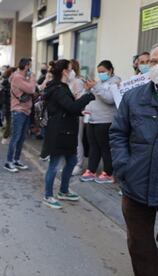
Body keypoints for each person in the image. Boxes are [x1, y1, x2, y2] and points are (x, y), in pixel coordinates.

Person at [110, 45, 158, 276]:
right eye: (153, 61)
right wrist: (123, 167)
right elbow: (118, 133)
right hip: (136, 183)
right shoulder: (133, 97)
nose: (155, 66)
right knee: (140, 244)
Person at [42, 59, 95, 209]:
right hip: (59, 133)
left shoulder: (61, 87)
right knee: (54, 165)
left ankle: (63, 191)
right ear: (65, 71)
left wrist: (80, 111)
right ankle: (48, 195)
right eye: (70, 68)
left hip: (66, 132)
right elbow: (70, 106)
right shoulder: (58, 88)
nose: (73, 71)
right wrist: (89, 94)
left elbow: (66, 108)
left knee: (71, 161)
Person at [80, 60, 120, 184]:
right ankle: (91, 171)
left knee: (105, 147)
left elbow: (109, 99)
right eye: (99, 72)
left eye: (103, 71)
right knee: (93, 147)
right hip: (92, 119)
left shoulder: (116, 82)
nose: (101, 74)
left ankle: (108, 173)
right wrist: (87, 90)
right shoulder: (99, 83)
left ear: (111, 70)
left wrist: (95, 87)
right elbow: (91, 98)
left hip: (106, 120)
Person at [4, 58, 36, 172]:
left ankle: (16, 160)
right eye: (30, 66)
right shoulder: (17, 77)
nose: (30, 69)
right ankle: (9, 162)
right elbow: (31, 89)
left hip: (26, 110)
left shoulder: (22, 77)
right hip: (19, 110)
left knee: (22, 138)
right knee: (16, 137)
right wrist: (32, 78)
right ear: (26, 66)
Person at [69, 59, 86, 176]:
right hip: (69, 113)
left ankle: (79, 165)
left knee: (77, 139)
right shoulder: (68, 81)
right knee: (70, 140)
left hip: (76, 113)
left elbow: (80, 98)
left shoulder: (77, 81)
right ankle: (71, 163)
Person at [0, 67, 15, 144]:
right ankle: (5, 136)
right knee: (9, 121)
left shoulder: (17, 81)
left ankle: (9, 136)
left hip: (14, 104)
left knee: (12, 122)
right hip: (8, 104)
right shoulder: (6, 82)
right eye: (14, 72)